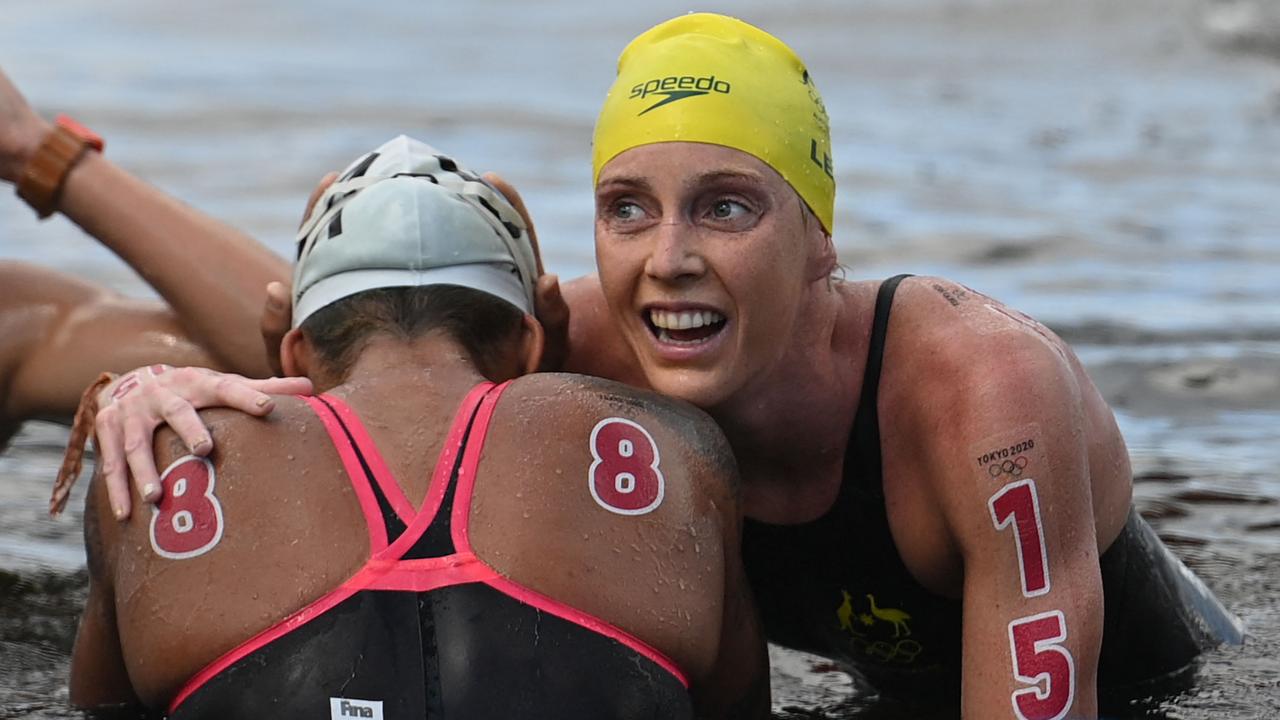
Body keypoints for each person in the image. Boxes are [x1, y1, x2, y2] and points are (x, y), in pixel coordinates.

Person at [7, 14, 1244, 718]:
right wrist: (145, 387)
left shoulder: (980, 398)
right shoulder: (598, 343)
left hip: (1137, 690)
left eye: (724, 208)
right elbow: (322, 320)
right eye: (626, 210)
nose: (668, 262)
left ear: (820, 237)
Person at [64, 136, 767, 719]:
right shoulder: (680, 447)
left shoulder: (154, 457)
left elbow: (99, 707)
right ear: (531, 343)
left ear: (294, 352)